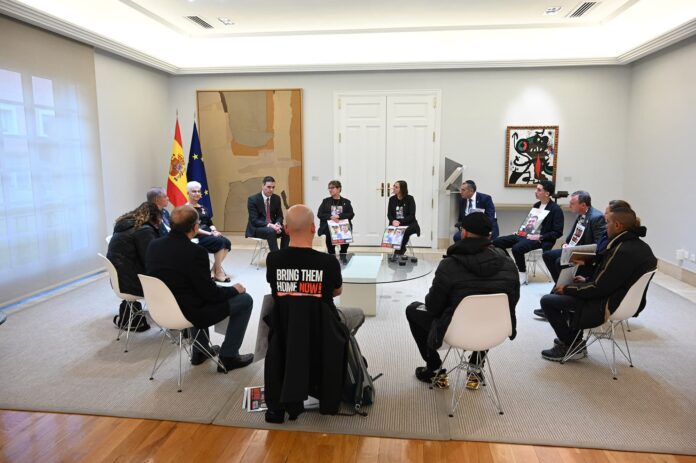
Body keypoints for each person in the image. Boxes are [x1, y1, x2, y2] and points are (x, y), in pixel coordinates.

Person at [264, 205, 365, 423]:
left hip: (286, 328)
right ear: (313, 228)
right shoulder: (328, 262)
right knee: (358, 314)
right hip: (323, 330)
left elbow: (276, 292)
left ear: (286, 229)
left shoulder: (273, 260)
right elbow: (336, 291)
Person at [406, 212, 519, 389]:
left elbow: (433, 307)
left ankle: (434, 369)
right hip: (495, 330)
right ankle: (475, 367)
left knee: (412, 309)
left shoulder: (449, 265)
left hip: (455, 331)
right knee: (488, 309)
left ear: (464, 233)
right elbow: (512, 301)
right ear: (489, 235)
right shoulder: (508, 263)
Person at [539, 206, 657, 361]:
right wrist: (585, 281)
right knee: (569, 290)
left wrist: (568, 289)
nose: (605, 226)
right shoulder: (639, 246)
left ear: (617, 225)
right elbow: (609, 279)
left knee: (548, 301)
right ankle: (573, 341)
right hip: (622, 299)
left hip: (609, 302)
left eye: (607, 222)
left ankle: (570, 344)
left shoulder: (621, 250)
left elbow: (598, 288)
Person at [146, 205, 254, 371]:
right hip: (189, 313)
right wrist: (234, 289)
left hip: (161, 309)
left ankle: (200, 351)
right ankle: (229, 356)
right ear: (195, 227)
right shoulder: (196, 252)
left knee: (190, 292)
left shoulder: (154, 245)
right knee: (245, 300)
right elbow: (210, 294)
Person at [492, 180, 564, 284]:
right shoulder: (536, 205)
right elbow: (530, 224)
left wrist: (540, 237)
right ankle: (512, 266)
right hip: (527, 235)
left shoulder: (556, 209)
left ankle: (522, 273)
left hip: (541, 239)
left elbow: (558, 232)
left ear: (547, 193)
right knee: (497, 242)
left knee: (517, 248)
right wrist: (520, 231)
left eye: (539, 190)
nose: (535, 191)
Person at [106, 202, 161, 331]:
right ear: (154, 217)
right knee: (176, 279)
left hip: (119, 281)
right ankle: (175, 320)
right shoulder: (143, 230)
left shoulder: (123, 225)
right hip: (132, 284)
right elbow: (151, 260)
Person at [541, 191, 606, 284]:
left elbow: (599, 245)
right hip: (574, 249)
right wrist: (566, 245)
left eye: (572, 203)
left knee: (559, 262)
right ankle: (559, 284)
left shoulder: (597, 217)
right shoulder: (580, 214)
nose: (569, 206)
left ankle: (565, 286)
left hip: (585, 254)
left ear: (583, 205)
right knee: (547, 255)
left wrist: (579, 253)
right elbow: (572, 237)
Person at [186, 181, 232, 283]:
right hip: (196, 236)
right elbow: (194, 228)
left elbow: (209, 223)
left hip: (208, 234)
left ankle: (212, 271)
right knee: (220, 242)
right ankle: (218, 272)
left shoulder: (203, 208)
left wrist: (214, 230)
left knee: (227, 242)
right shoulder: (186, 209)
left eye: (199, 191)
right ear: (188, 193)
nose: (197, 193)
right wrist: (211, 234)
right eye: (194, 191)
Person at [246, 176, 289, 252]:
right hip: (257, 228)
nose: (271, 189)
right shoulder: (253, 199)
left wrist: (277, 224)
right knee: (271, 231)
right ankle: (276, 257)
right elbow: (254, 220)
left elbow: (280, 216)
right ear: (263, 186)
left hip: (273, 226)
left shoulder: (276, 198)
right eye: (269, 187)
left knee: (287, 230)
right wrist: (270, 225)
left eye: (273, 187)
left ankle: (283, 255)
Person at [317, 180, 355, 254]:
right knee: (330, 247)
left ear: (339, 189)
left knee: (344, 248)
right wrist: (331, 217)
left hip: (343, 227)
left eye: (332, 188)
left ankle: (343, 255)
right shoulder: (325, 201)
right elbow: (320, 214)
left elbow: (351, 214)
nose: (330, 190)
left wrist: (339, 216)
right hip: (329, 227)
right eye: (329, 188)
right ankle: (331, 256)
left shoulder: (346, 202)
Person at [387, 180, 420, 255]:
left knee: (404, 231)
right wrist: (393, 221)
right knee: (395, 230)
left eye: (396, 187)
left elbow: (412, 215)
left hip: (408, 223)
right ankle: (400, 250)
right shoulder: (392, 199)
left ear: (402, 189)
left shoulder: (410, 199)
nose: (394, 188)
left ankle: (398, 251)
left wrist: (400, 222)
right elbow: (389, 214)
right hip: (395, 223)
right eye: (394, 186)